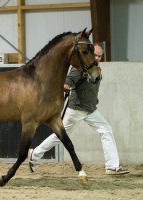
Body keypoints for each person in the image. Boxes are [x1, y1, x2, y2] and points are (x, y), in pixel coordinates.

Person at [28, 43, 129, 175]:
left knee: (106, 130)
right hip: (76, 110)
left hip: (90, 109)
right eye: (96, 55)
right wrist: (66, 85)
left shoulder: (94, 67)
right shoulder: (81, 67)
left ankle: (111, 166)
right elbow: (70, 79)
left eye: (100, 56)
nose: (98, 58)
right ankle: (34, 154)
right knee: (60, 136)